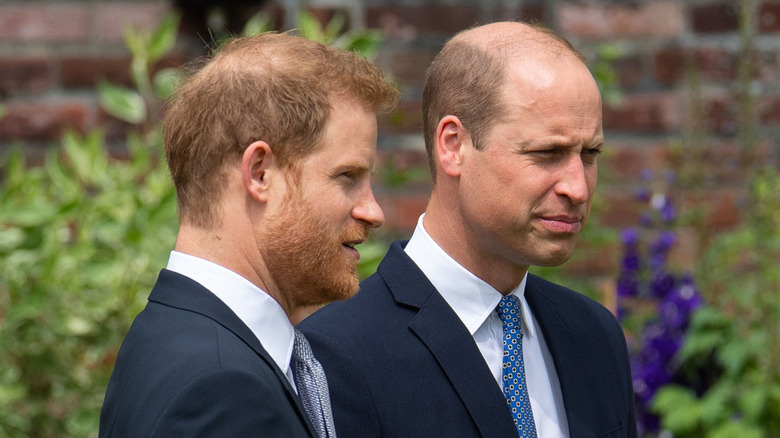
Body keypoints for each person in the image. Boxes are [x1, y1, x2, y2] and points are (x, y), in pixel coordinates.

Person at [299, 21, 638, 438]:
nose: (578, 187)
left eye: (590, 153)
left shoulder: (594, 336)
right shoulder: (338, 354)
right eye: (548, 153)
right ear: (453, 145)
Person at [99, 32, 398, 437]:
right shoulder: (222, 389)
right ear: (259, 173)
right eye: (347, 176)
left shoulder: (167, 336)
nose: (372, 211)